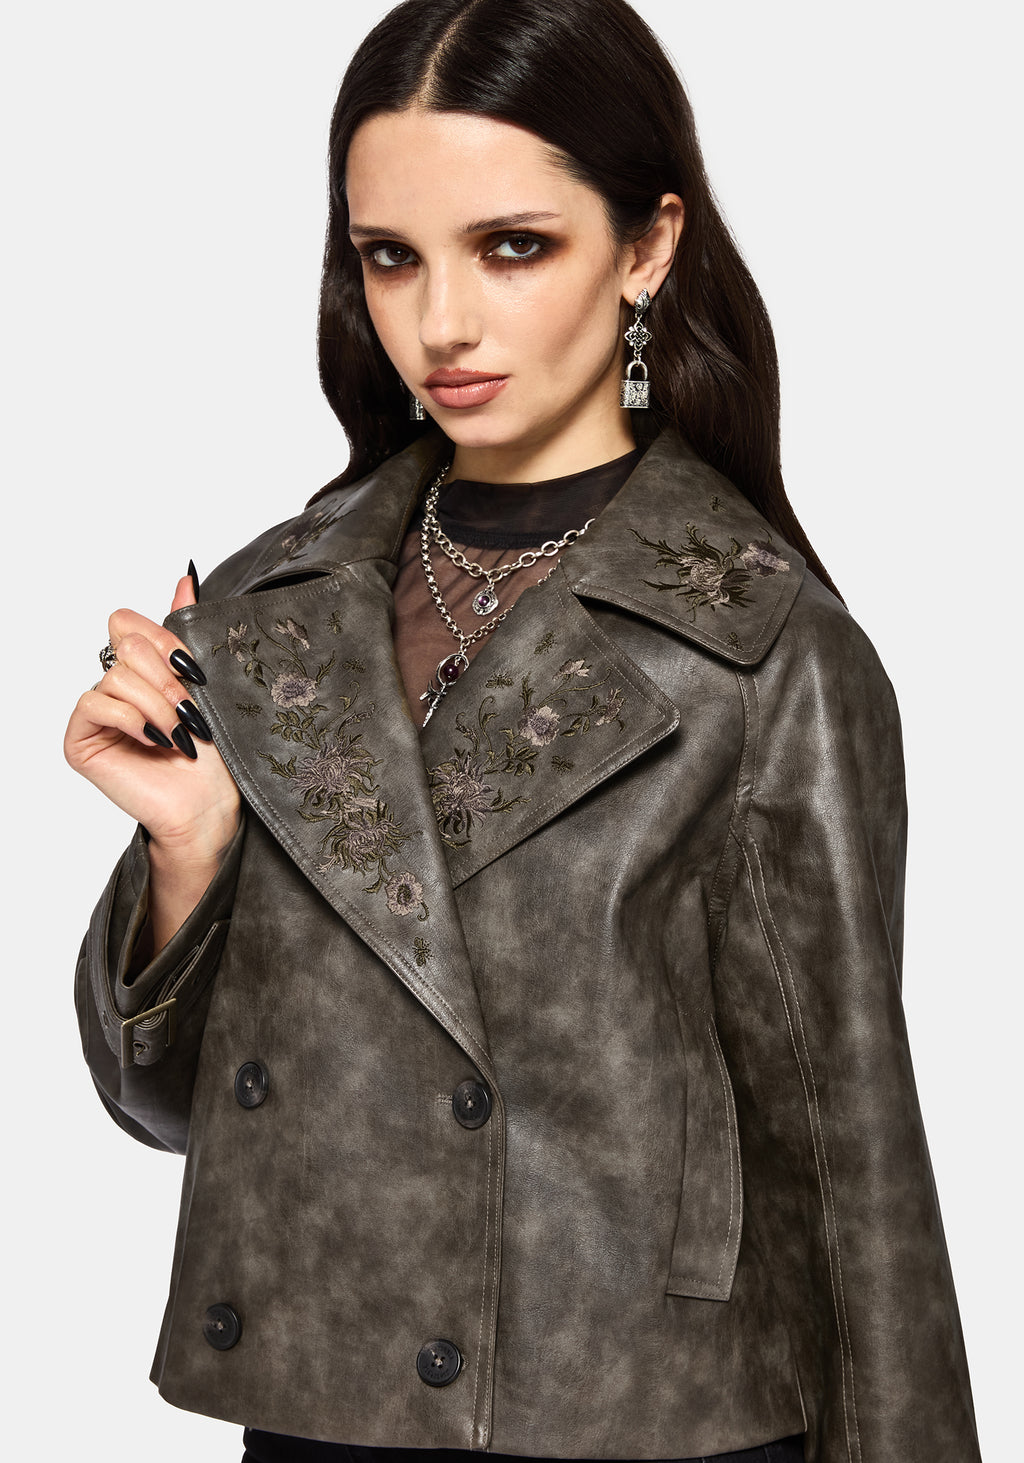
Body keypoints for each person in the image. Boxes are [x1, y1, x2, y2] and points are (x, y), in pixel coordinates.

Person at [65, 2, 981, 1460]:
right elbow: (171, 1111)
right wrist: (192, 850)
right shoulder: (274, 606)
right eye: (391, 256)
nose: (441, 322)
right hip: (324, 1410)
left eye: (511, 246)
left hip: (644, 1421)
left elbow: (851, 1162)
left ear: (647, 246)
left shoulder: (761, 648)